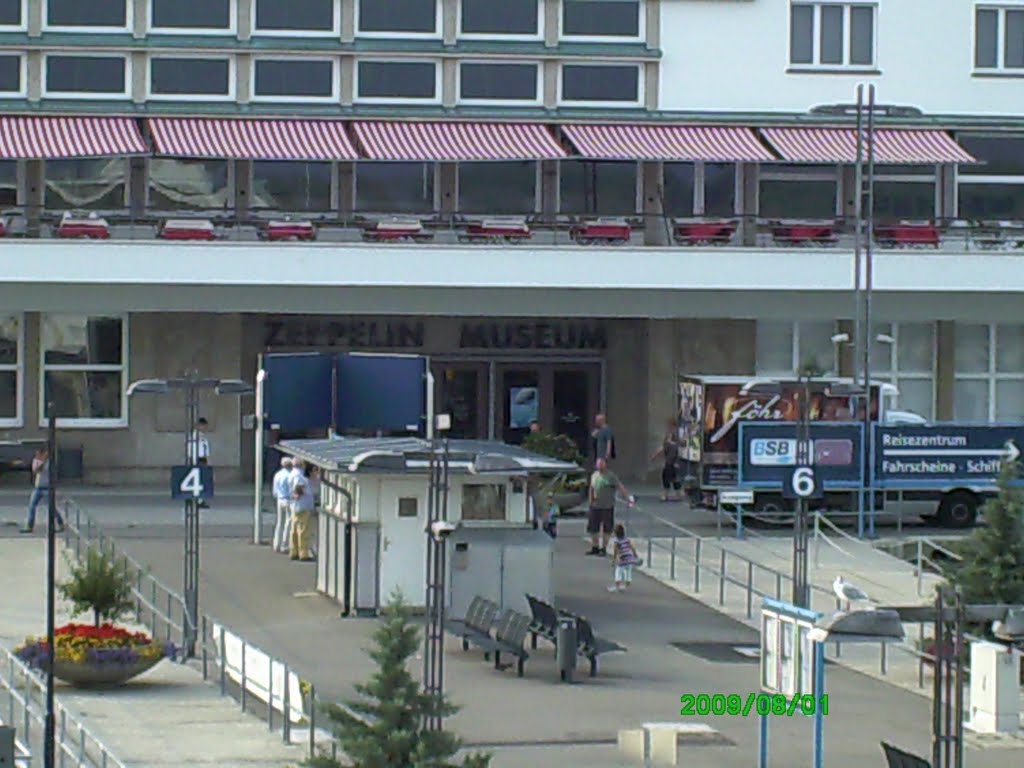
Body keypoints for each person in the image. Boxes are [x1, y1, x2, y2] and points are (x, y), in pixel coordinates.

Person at [587, 458, 634, 556]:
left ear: (605, 465)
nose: (600, 466)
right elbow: (591, 488)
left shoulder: (611, 476)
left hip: (607, 506)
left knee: (607, 528)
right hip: (595, 506)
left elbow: (620, 487)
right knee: (593, 528)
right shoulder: (594, 475)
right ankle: (595, 547)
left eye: (602, 464)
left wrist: (628, 497)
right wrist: (590, 500)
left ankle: (603, 548)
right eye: (598, 464)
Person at [21, 447, 64, 534]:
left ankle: (60, 523)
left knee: (51, 507)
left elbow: (54, 473)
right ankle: (30, 526)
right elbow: (36, 470)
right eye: (38, 454)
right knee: (32, 506)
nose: (38, 456)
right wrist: (42, 462)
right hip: (38, 488)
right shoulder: (36, 461)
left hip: (48, 488)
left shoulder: (50, 463)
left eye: (41, 454)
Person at [650, 419, 683, 502]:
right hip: (668, 461)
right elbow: (663, 448)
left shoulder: (677, 438)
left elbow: (680, 449)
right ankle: (669, 494)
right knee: (667, 477)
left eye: (671, 427)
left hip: (674, 461)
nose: (669, 428)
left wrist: (678, 461)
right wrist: (654, 456)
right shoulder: (667, 438)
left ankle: (671, 494)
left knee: (673, 478)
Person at [289, 462, 315, 562]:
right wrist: (298, 495)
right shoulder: (298, 475)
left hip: (296, 506)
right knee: (303, 530)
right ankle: (303, 553)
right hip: (302, 505)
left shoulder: (292, 473)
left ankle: (294, 551)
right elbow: (299, 487)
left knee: (294, 529)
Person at [607, 523, 641, 592]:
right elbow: (632, 547)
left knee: (618, 572)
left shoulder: (617, 542)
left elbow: (616, 552)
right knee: (628, 572)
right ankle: (626, 585)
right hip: (629, 558)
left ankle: (617, 586)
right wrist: (635, 555)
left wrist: (614, 560)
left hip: (622, 558)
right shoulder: (627, 539)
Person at [271, 457, 293, 553]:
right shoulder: (290, 475)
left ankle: (276, 544)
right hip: (288, 500)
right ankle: (285, 544)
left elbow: (274, 491)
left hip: (279, 499)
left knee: (279, 522)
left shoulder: (277, 474)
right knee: (288, 523)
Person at [189, 417, 211, 509]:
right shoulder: (194, 437)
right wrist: (193, 461)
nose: (204, 428)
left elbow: (206, 450)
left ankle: (199, 500)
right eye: (203, 426)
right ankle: (196, 500)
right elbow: (192, 450)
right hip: (197, 459)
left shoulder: (203, 437)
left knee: (202, 481)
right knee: (197, 481)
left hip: (202, 460)